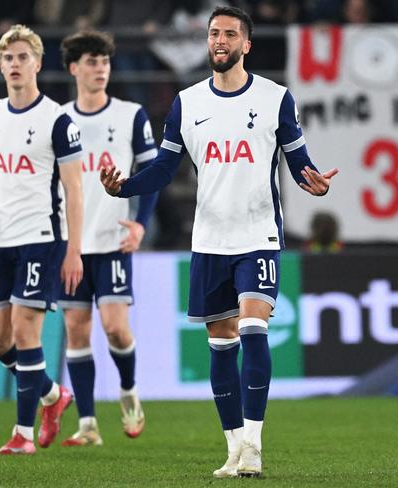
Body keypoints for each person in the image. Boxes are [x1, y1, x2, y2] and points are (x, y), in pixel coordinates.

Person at [101, 6, 337, 477]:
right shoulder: (187, 104)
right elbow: (166, 170)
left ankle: (254, 442)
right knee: (221, 343)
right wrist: (123, 187)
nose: (220, 40)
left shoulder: (275, 98)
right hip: (209, 239)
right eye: (214, 33)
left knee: (253, 330)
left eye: (230, 33)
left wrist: (315, 182)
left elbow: (298, 160)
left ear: (246, 44)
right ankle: (233, 449)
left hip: (257, 235)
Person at [0, 24, 84, 455]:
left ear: (38, 63)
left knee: (25, 331)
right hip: (4, 240)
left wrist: (73, 249)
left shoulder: (56, 119)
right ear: (1, 65)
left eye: (22, 57)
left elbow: (74, 188)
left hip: (43, 238)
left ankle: (23, 435)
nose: (15, 64)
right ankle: (53, 395)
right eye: (8, 58)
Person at [57, 30, 159, 446]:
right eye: (92, 62)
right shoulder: (59, 119)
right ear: (74, 68)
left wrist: (141, 224)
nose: (100, 69)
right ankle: (87, 425)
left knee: (116, 329)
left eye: (105, 62)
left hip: (114, 238)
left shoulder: (131, 115)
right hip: (72, 244)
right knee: (77, 330)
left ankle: (129, 391)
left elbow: (152, 175)